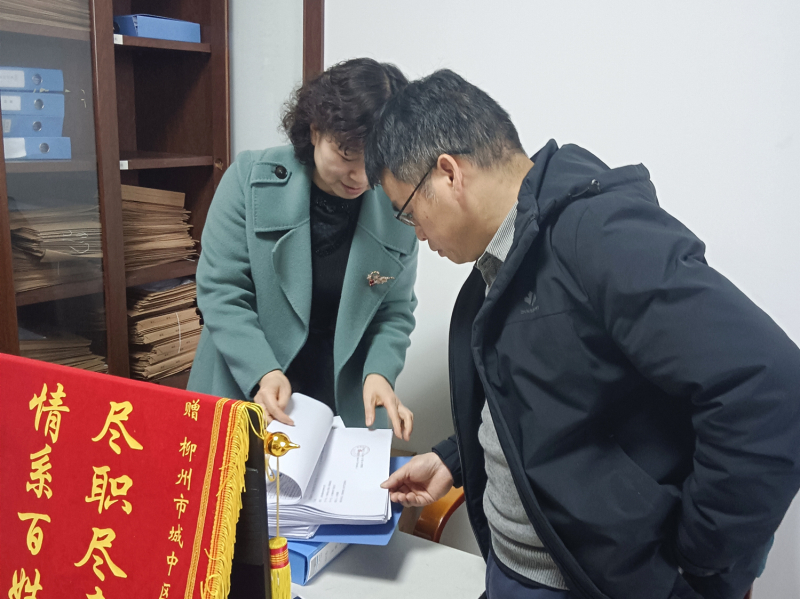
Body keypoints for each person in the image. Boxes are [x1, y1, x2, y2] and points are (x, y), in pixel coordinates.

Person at [368, 70, 800, 598]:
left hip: (584, 583)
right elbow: (552, 397)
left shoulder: (598, 236)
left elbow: (770, 387)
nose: (416, 233)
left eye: (409, 212)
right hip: (510, 569)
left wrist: (696, 562)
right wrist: (455, 458)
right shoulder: (503, 259)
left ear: (448, 174)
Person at [188, 58, 418, 440]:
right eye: (347, 154)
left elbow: (394, 312)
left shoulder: (397, 211)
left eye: (376, 162)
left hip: (337, 398)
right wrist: (262, 371)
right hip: (245, 378)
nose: (361, 176)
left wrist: (380, 372)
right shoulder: (248, 179)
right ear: (315, 131)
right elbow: (221, 290)